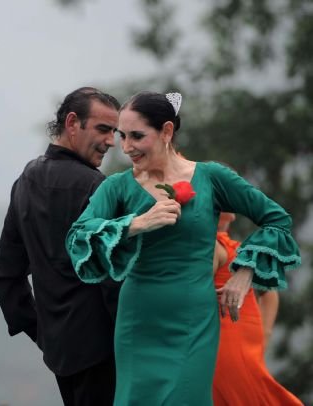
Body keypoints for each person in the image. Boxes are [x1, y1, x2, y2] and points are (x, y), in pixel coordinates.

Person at [66, 91, 301, 405]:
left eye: (137, 136)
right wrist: (137, 223)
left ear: (166, 131)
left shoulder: (212, 177)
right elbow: (78, 237)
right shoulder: (117, 186)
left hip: (194, 322)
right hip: (139, 322)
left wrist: (245, 272)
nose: (126, 147)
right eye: (122, 136)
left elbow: (277, 221)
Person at [0, 87, 121, 406]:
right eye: (103, 129)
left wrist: (44, 334)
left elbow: (6, 276)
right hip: (106, 352)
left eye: (114, 132)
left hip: (61, 355)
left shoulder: (25, 182)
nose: (111, 141)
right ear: (72, 123)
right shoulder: (97, 187)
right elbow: (113, 278)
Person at [213, 212, 303, 405]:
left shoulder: (229, 248)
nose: (233, 216)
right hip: (226, 346)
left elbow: (269, 293)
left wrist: (264, 336)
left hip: (235, 347)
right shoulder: (218, 248)